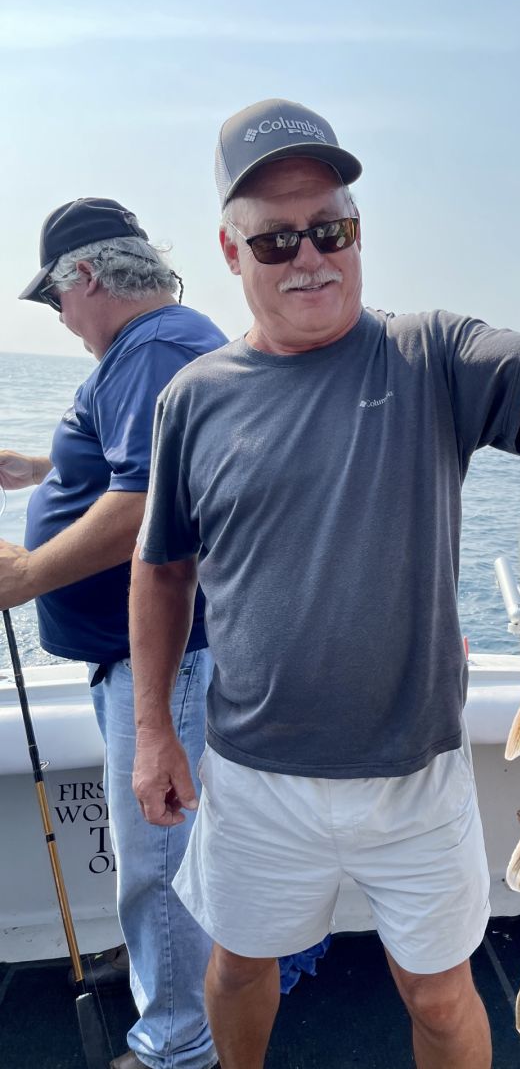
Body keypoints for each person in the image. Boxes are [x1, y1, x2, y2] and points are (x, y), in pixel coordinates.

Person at [130, 98, 520, 1069]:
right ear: (230, 250)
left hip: (416, 775)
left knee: (440, 997)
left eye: (330, 230)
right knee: (239, 968)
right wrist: (153, 731)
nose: (309, 257)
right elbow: (163, 569)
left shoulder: (429, 354)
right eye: (276, 239)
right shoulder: (191, 400)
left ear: (358, 231)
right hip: (253, 773)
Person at [0, 198, 226, 1069]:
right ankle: (171, 990)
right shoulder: (156, 346)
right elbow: (138, 460)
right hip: (146, 659)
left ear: (87, 276)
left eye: (55, 299)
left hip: (162, 661)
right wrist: (44, 467)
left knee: (158, 862)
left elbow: (143, 503)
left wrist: (26, 575)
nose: (59, 318)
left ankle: (177, 1045)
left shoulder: (153, 348)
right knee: (163, 856)